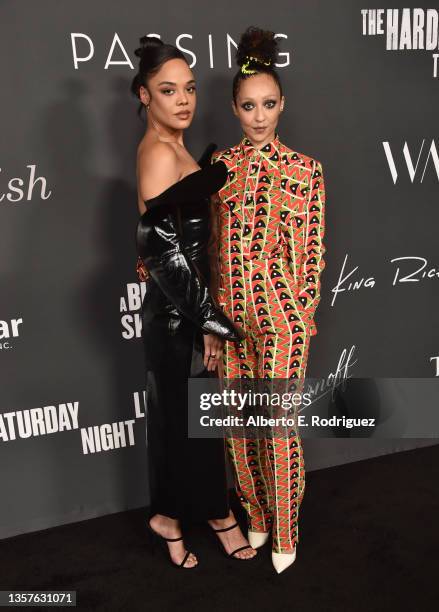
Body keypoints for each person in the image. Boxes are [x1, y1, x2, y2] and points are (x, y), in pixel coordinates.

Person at [132, 36, 257, 569]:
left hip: (184, 308)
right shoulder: (160, 152)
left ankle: (196, 513)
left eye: (188, 89)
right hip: (178, 312)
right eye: (167, 90)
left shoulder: (175, 146)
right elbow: (162, 254)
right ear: (144, 96)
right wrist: (209, 321)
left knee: (193, 422)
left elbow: (175, 222)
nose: (183, 100)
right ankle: (185, 517)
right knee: (181, 423)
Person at [212, 26, 327, 573]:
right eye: (248, 106)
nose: (259, 116)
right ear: (234, 108)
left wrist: (299, 316)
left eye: (269, 105)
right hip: (229, 322)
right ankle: (255, 516)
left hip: (281, 322)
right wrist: (211, 324)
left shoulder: (304, 171)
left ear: (283, 104)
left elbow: (310, 257)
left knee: (277, 427)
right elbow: (210, 253)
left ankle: (285, 528)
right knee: (240, 428)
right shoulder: (219, 170)